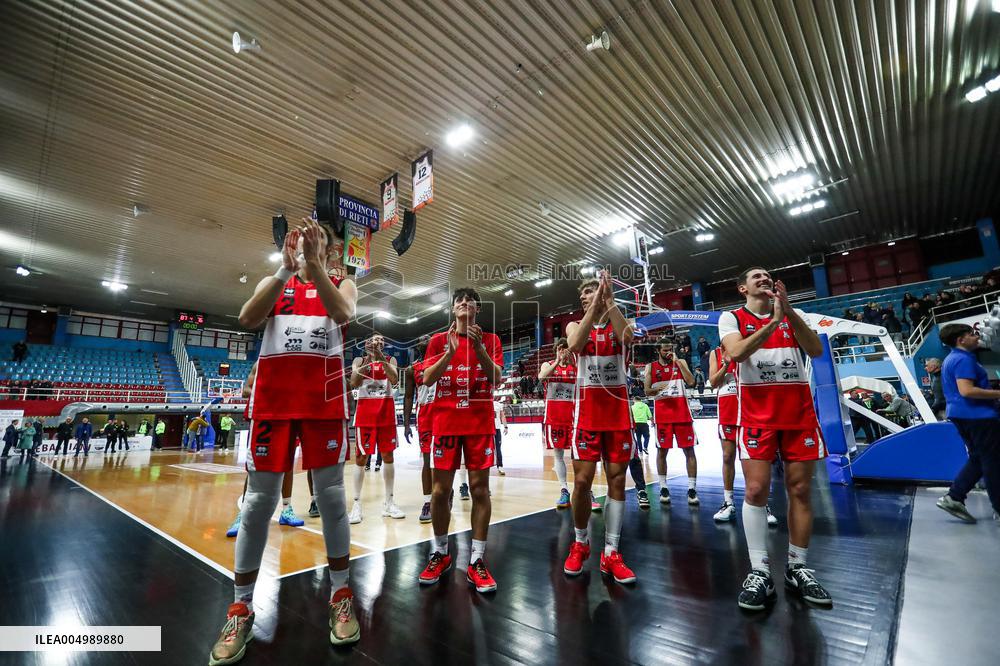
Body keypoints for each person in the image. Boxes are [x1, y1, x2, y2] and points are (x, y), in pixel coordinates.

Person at [209, 217, 361, 664]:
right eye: (301, 237)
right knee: (258, 504)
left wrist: (315, 267)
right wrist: (285, 269)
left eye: (317, 239)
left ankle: (341, 595)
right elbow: (247, 318)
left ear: (330, 250)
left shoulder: (343, 284)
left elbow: (343, 314)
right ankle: (241, 608)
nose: (308, 243)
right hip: (273, 404)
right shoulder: (274, 282)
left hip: (323, 405)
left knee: (331, 499)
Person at [719, 267, 831, 611]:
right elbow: (736, 354)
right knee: (755, 490)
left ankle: (797, 567)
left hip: (798, 413)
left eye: (767, 275)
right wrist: (772, 323)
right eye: (756, 276)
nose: (764, 278)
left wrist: (788, 312)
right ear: (743, 288)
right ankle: (760, 571)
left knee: (800, 490)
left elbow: (815, 350)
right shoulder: (731, 317)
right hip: (756, 415)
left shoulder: (794, 315)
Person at [417, 287, 503, 593]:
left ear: (477, 309)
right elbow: (427, 378)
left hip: (479, 424)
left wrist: (478, 349)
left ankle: (477, 560)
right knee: (440, 492)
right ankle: (440, 553)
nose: (464, 303)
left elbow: (496, 379)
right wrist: (449, 353)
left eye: (470, 301)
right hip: (446, 423)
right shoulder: (438, 341)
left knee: (480, 490)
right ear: (453, 310)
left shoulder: (491, 340)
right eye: (459, 301)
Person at [562, 271, 637, 584]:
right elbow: (575, 344)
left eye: (589, 291)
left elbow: (627, 338)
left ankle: (611, 552)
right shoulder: (575, 325)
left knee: (617, 481)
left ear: (604, 294)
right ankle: (580, 543)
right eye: (582, 294)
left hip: (618, 414)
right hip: (587, 416)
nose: (584, 297)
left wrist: (609, 302)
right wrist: (594, 306)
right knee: (582, 482)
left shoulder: (622, 321)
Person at [935, 323, 1000, 523]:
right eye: (972, 334)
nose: (976, 336)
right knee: (993, 461)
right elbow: (967, 390)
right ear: (961, 339)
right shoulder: (963, 359)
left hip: (961, 414)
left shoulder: (951, 359)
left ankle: (954, 497)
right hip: (978, 415)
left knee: (979, 458)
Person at [348, 333, 404, 523]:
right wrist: (369, 359)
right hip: (365, 417)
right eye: (374, 339)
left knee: (388, 457)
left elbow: (394, 378)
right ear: (367, 343)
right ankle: (356, 504)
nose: (378, 341)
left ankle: (389, 502)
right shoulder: (359, 360)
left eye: (381, 340)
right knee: (361, 458)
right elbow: (354, 382)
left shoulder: (391, 360)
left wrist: (379, 357)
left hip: (386, 416)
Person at [645, 335, 699, 507]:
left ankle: (692, 489)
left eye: (671, 350)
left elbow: (691, 382)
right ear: (658, 351)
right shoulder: (650, 367)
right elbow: (647, 391)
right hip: (663, 416)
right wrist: (658, 388)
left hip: (682, 414)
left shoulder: (680, 362)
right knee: (662, 452)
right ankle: (663, 487)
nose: (668, 353)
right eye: (665, 350)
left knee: (689, 451)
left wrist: (679, 363)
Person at [538, 338, 577, 508]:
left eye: (566, 348)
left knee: (580, 456)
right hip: (554, 418)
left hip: (575, 417)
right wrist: (557, 361)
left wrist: (573, 362)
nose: (563, 351)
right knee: (558, 454)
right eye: (560, 348)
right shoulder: (548, 364)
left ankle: (586, 491)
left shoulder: (576, 366)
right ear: (556, 350)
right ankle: (564, 490)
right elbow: (541, 377)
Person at [403, 335, 436, 523]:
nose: (425, 339)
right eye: (421, 338)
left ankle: (445, 492)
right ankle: (427, 501)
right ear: (417, 345)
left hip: (442, 414)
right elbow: (408, 397)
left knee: (443, 460)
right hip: (424, 416)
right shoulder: (411, 369)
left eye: (428, 338)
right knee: (427, 460)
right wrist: (407, 424)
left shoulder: (441, 361)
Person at [493, 399, 508, 475]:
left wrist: (505, 427)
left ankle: (500, 466)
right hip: (487, 429)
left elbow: (502, 416)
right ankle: (483, 467)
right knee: (486, 449)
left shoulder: (498, 404)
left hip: (497, 429)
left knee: (498, 448)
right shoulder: (484, 404)